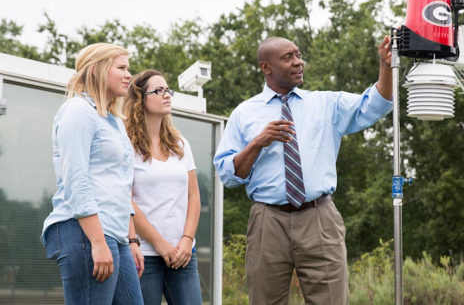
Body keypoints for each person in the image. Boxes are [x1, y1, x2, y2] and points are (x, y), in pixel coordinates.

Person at [214, 36, 394, 304]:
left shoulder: (325, 103)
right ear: (266, 67)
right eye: (288, 57)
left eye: (298, 55)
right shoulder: (244, 113)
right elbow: (229, 176)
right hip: (267, 220)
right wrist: (257, 142)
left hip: (319, 216)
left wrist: (385, 64)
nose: (298, 62)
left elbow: (375, 104)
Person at [41, 43, 144, 305]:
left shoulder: (115, 122)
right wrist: (98, 242)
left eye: (128, 68)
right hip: (84, 232)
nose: (128, 75)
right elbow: (76, 180)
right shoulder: (78, 111)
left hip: (115, 234)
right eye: (121, 67)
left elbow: (121, 185)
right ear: (97, 69)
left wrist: (131, 239)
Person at [123, 69, 203, 305]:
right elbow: (125, 200)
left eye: (168, 90)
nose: (166, 94)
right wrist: (159, 243)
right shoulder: (126, 144)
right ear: (140, 99)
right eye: (158, 90)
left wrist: (188, 239)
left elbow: (194, 195)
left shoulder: (180, 143)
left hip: (183, 254)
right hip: (145, 254)